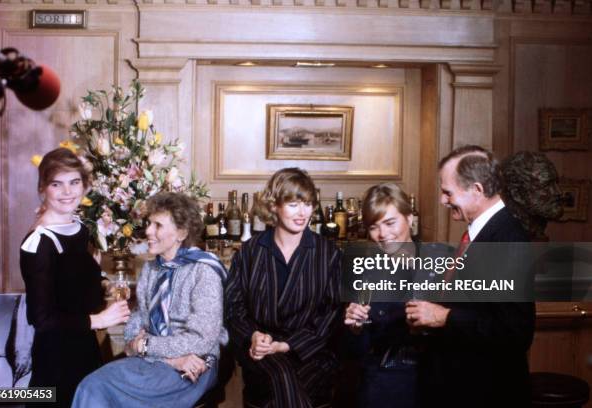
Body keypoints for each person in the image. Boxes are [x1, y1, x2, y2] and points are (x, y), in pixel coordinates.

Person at [405, 145, 535, 407]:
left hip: (485, 391)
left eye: (447, 192)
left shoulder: (507, 239)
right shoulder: (480, 234)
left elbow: (515, 332)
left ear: (477, 190)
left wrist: (444, 317)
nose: (443, 200)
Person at [72, 192, 228, 408]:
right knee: (91, 385)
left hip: (195, 366)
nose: (148, 231)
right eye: (148, 223)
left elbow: (200, 340)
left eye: (158, 225)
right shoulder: (151, 268)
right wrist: (164, 357)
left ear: (181, 233)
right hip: (160, 361)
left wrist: (146, 345)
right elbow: (134, 327)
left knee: (97, 388)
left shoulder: (203, 272)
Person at [20, 147, 131, 407]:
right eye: (56, 184)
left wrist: (105, 283)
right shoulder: (39, 243)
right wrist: (99, 319)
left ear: (84, 186)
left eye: (74, 182)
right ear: (42, 189)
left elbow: (77, 284)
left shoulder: (79, 228)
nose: (67, 192)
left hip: (84, 348)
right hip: (55, 360)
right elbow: (42, 319)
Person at [225, 168, 341, 408]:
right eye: (293, 204)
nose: (302, 213)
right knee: (280, 375)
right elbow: (233, 309)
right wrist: (254, 336)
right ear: (274, 206)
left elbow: (331, 313)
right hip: (261, 351)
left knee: (286, 380)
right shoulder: (250, 252)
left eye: (308, 204)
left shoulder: (328, 254)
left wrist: (288, 345)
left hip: (311, 350)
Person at [343, 183, 424, 408]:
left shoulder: (441, 263)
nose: (382, 234)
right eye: (373, 227)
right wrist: (355, 327)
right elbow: (353, 351)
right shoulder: (364, 273)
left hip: (436, 383)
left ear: (409, 218)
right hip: (383, 386)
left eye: (390, 223)